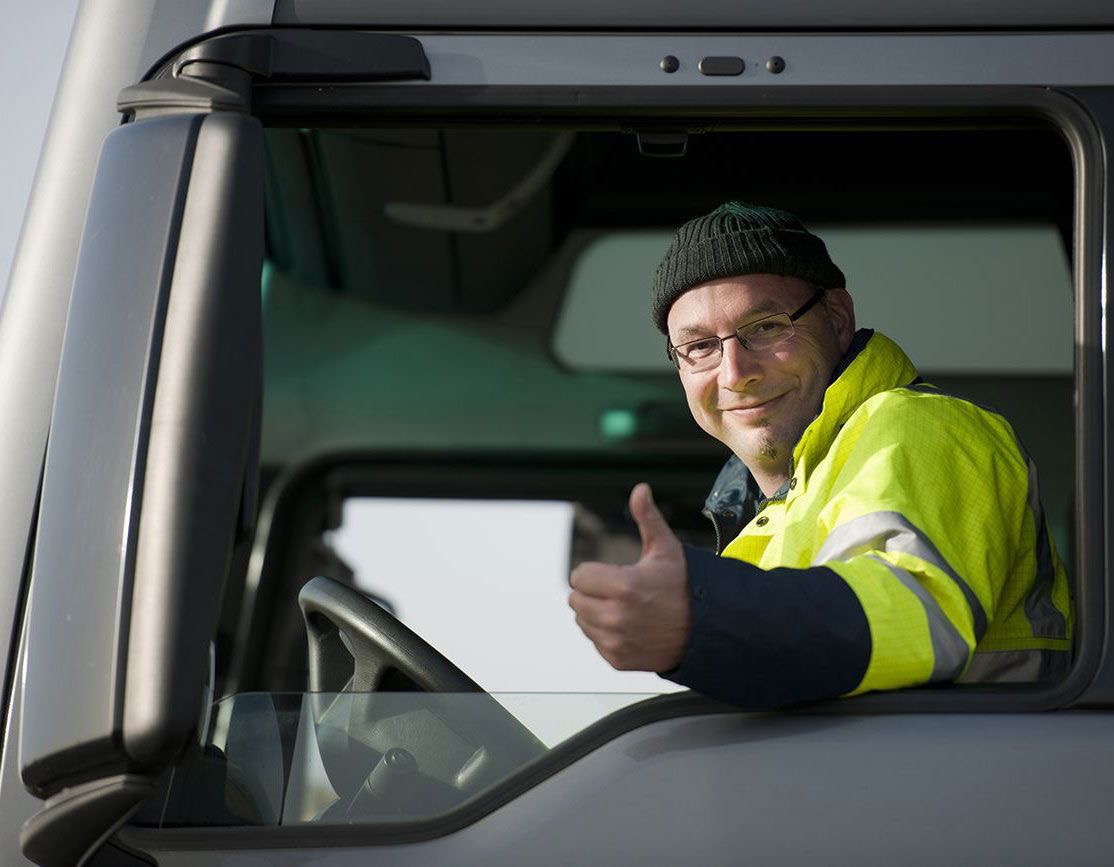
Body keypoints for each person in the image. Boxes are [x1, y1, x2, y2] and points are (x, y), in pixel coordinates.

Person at [568, 201, 1073, 708]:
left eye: (766, 326)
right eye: (699, 346)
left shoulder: (919, 425)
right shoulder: (775, 507)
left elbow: (915, 608)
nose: (734, 372)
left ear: (836, 320)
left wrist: (700, 614)